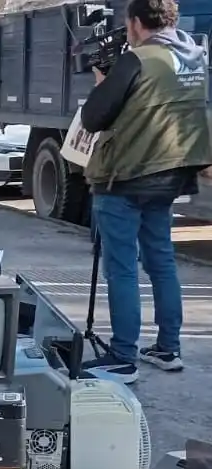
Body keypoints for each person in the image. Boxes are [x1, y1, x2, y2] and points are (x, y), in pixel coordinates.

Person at [77, 0, 212, 382]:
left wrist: (103, 82)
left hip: (126, 177)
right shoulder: (194, 57)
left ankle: (122, 357)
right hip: (169, 176)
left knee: (122, 269)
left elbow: (94, 117)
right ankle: (169, 348)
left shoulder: (137, 61)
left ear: (136, 23)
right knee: (161, 261)